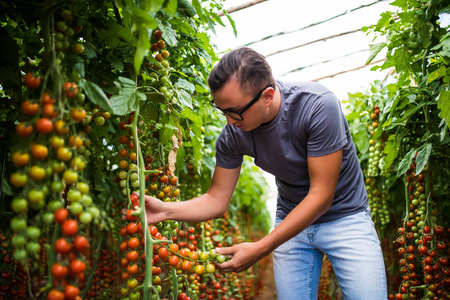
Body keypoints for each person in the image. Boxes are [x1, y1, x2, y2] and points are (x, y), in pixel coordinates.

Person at [140, 47, 387, 299]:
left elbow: (321, 195)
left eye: (235, 111)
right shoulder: (233, 135)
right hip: (292, 223)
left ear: (267, 96)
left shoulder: (317, 106)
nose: (229, 121)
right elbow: (216, 200)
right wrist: (165, 211)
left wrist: (261, 247)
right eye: (222, 110)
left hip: (346, 218)